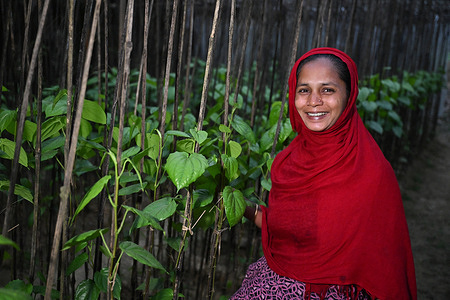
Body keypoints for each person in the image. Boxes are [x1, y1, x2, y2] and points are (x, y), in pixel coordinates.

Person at [231, 47, 417, 300]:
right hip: (272, 284)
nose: (313, 101)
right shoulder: (288, 161)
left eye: (327, 90)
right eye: (304, 89)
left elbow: (385, 265)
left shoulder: (372, 173)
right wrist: (239, 205)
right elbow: (286, 226)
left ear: (349, 95)